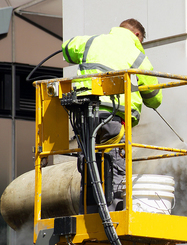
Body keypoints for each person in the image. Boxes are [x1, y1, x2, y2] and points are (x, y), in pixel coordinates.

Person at [61, 19, 162, 210]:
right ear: (137, 36)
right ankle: (112, 213)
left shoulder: (91, 42)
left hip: (84, 115)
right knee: (113, 165)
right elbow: (155, 98)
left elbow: (67, 48)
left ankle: (90, 211)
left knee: (90, 164)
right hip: (113, 118)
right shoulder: (137, 55)